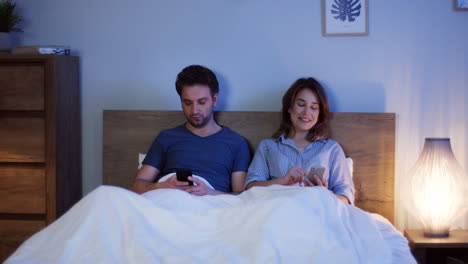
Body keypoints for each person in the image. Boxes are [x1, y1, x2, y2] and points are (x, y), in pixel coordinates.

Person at [131, 65, 250, 195]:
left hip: (211, 205)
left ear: (214, 100)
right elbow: (136, 187)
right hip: (167, 200)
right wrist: (162, 186)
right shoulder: (166, 138)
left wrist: (210, 192)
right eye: (187, 103)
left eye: (202, 102)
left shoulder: (236, 143)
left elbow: (242, 196)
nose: (194, 111)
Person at [244, 77, 354, 204]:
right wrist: (282, 181)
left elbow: (346, 198)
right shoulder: (268, 147)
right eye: (301, 104)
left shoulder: (331, 149)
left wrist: (323, 195)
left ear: (319, 114)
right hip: (278, 213)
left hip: (318, 215)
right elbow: (250, 189)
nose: (307, 112)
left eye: (314, 107)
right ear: (289, 108)